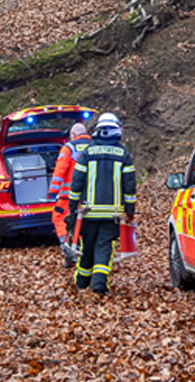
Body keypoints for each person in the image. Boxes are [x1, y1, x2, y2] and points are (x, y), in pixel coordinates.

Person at [65, 113, 136, 296]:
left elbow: (77, 180)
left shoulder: (88, 152)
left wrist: (72, 205)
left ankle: (81, 283)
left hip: (87, 213)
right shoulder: (123, 154)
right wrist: (130, 210)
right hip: (111, 214)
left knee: (87, 247)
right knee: (104, 247)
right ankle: (99, 284)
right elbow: (129, 186)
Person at [49, 122, 93, 264]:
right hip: (91, 195)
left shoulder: (68, 148)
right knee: (82, 223)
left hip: (69, 196)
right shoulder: (95, 147)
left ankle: (66, 246)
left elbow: (59, 171)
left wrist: (52, 191)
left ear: (73, 135)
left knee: (59, 218)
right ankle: (78, 249)